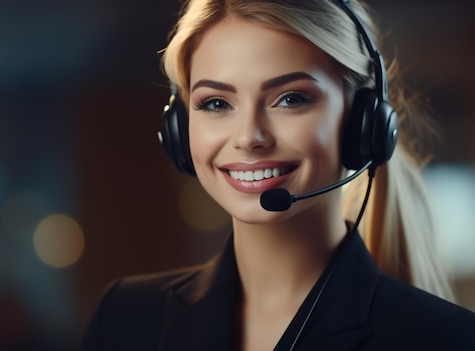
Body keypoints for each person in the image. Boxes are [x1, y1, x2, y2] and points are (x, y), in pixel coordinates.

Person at [81, 0, 475, 350]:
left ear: (361, 122)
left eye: (291, 98)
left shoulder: (445, 337)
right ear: (180, 129)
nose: (249, 137)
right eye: (216, 102)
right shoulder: (126, 319)